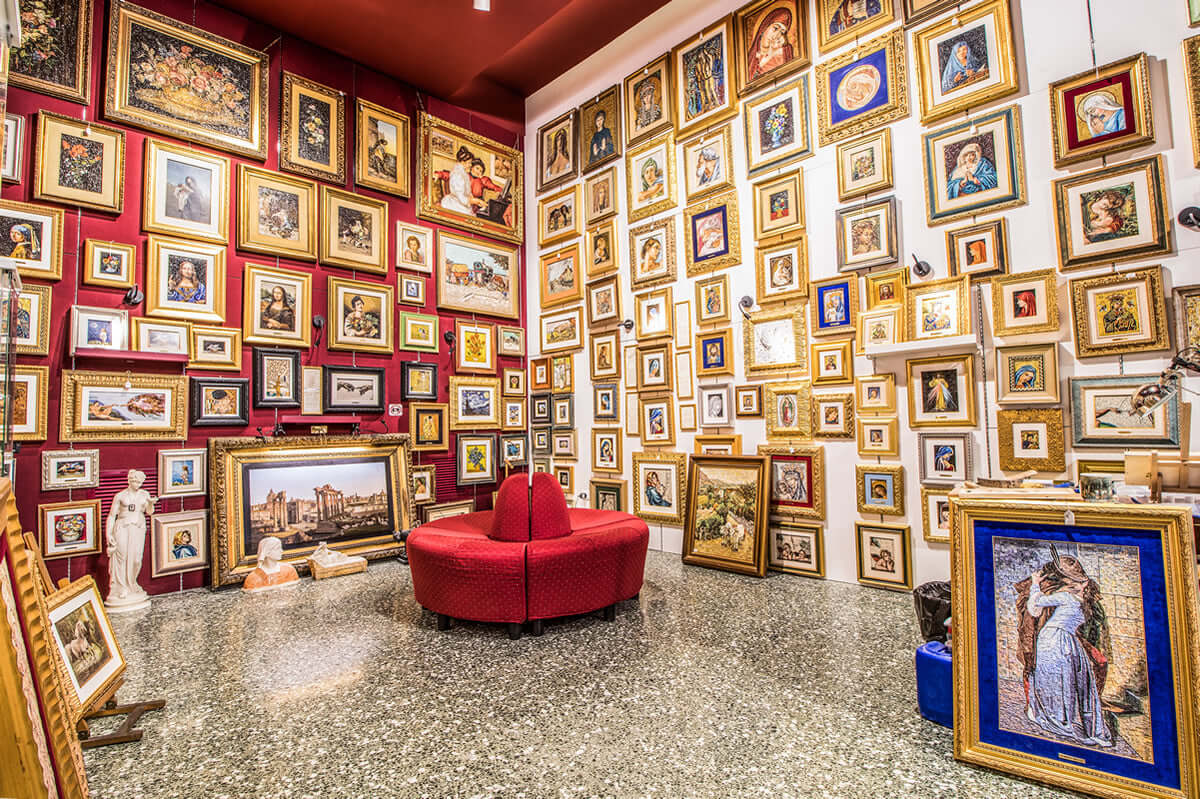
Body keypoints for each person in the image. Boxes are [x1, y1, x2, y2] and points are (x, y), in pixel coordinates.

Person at [1016, 546, 1115, 748]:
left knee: (1061, 680)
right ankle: (1065, 717)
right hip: (1063, 641)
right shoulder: (1077, 598)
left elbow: (1034, 608)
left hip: (1057, 639)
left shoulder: (1068, 597)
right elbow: (1033, 614)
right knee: (1063, 679)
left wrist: (1035, 585)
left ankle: (1060, 718)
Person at [106, 470, 157, 611]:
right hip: (123, 527)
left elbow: (150, 512)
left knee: (136, 559)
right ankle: (121, 587)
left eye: (139, 482)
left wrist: (150, 503)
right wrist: (108, 534)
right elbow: (112, 516)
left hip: (138, 527)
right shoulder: (120, 496)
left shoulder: (144, 494)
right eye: (134, 481)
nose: (137, 484)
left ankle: (132, 583)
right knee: (121, 557)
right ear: (129, 480)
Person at [747, 9, 793, 81]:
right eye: (775, 28)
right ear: (765, 27)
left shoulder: (781, 54)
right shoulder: (751, 56)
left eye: (782, 33)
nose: (776, 36)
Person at [436, 145, 476, 215]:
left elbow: (468, 192)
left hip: (462, 203)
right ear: (463, 162)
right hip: (455, 204)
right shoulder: (458, 174)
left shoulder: (464, 174)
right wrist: (476, 201)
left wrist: (472, 198)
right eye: (469, 163)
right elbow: (461, 197)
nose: (470, 165)